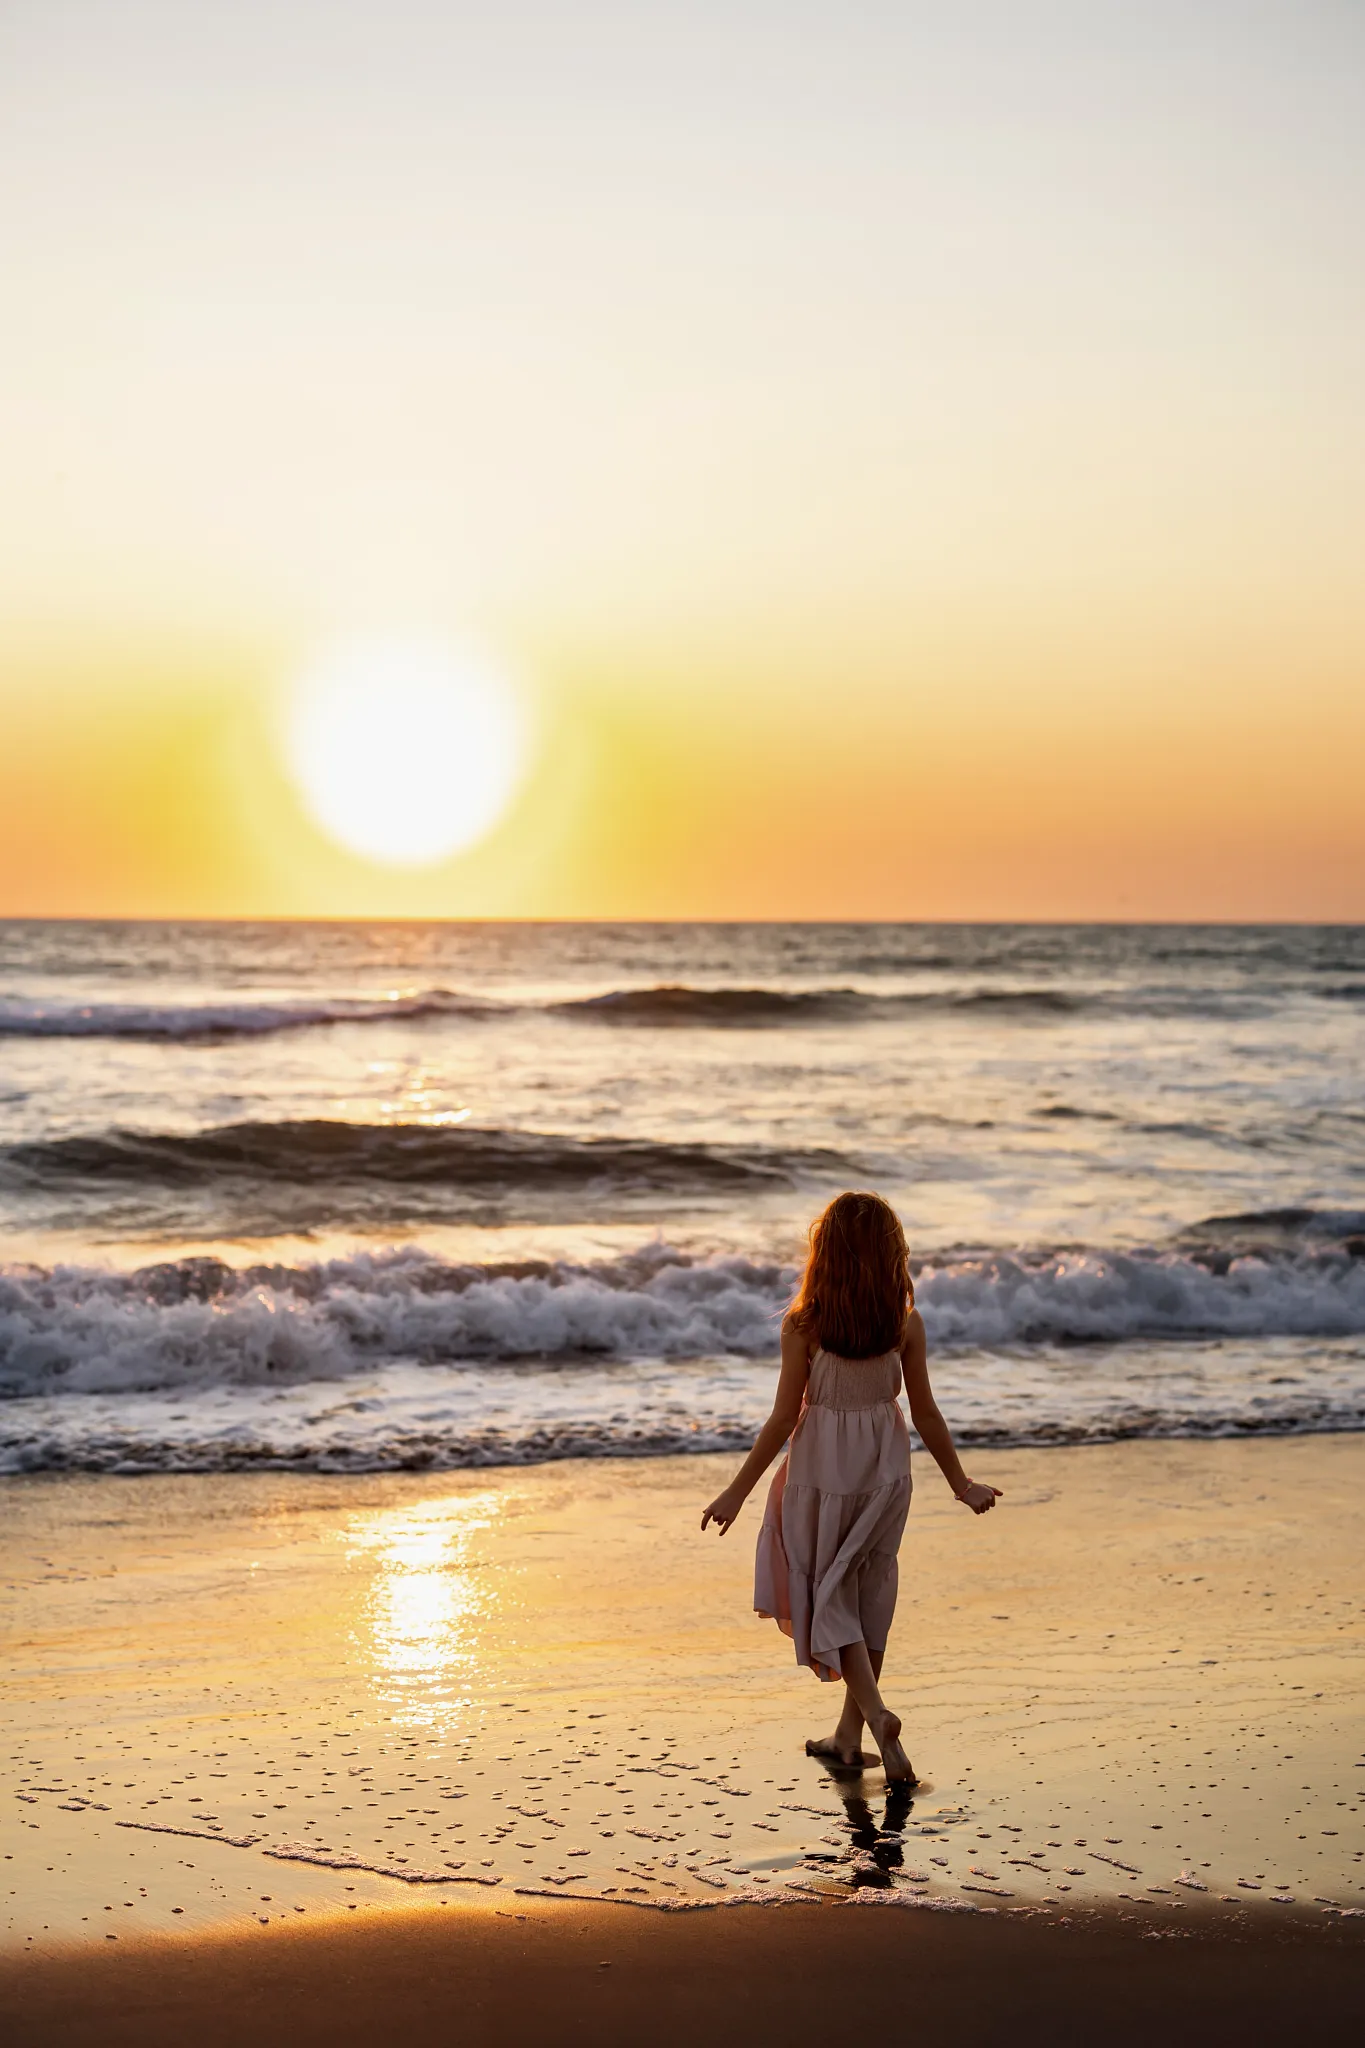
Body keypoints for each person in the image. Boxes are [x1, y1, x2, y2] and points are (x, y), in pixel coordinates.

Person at [700, 1190, 1000, 1783]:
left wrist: (736, 1490)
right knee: (867, 1595)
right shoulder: (903, 1323)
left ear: (824, 1255)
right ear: (892, 1254)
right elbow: (927, 1413)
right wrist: (960, 1483)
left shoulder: (804, 1327)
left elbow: (784, 1418)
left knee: (832, 1595)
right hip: (886, 1476)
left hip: (819, 1478)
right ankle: (847, 1736)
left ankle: (879, 1716)